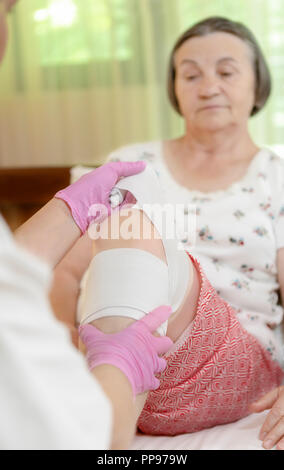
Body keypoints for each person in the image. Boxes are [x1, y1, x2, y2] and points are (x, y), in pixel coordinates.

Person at [50, 16, 284, 449]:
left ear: (258, 84)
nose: (208, 86)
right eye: (190, 74)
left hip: (232, 366)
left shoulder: (276, 175)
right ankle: (111, 402)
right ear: (175, 89)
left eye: (226, 72)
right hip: (109, 352)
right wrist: (58, 358)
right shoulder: (132, 162)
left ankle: (106, 434)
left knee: (134, 221)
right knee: (129, 212)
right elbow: (66, 272)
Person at [0, 0, 174, 450]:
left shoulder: (273, 175)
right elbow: (85, 438)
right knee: (129, 229)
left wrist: (68, 209)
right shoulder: (142, 159)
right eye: (6, 11)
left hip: (220, 336)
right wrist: (118, 361)